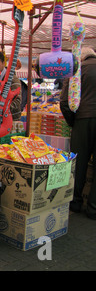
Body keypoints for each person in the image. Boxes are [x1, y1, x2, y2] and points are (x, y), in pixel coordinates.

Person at [60, 46, 96, 219]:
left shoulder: (76, 70)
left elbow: (65, 101)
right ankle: (93, 208)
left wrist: (73, 122)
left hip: (82, 119)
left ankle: (75, 202)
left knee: (78, 164)